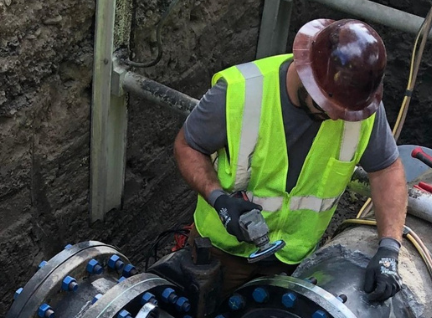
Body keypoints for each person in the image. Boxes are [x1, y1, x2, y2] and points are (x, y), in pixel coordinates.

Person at [174, 18, 408, 300]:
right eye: (326, 106)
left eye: (344, 111)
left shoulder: (357, 109)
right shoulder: (241, 92)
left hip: (293, 260)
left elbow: (386, 170)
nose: (336, 117)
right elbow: (188, 145)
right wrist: (219, 200)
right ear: (305, 72)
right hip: (221, 253)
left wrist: (389, 249)